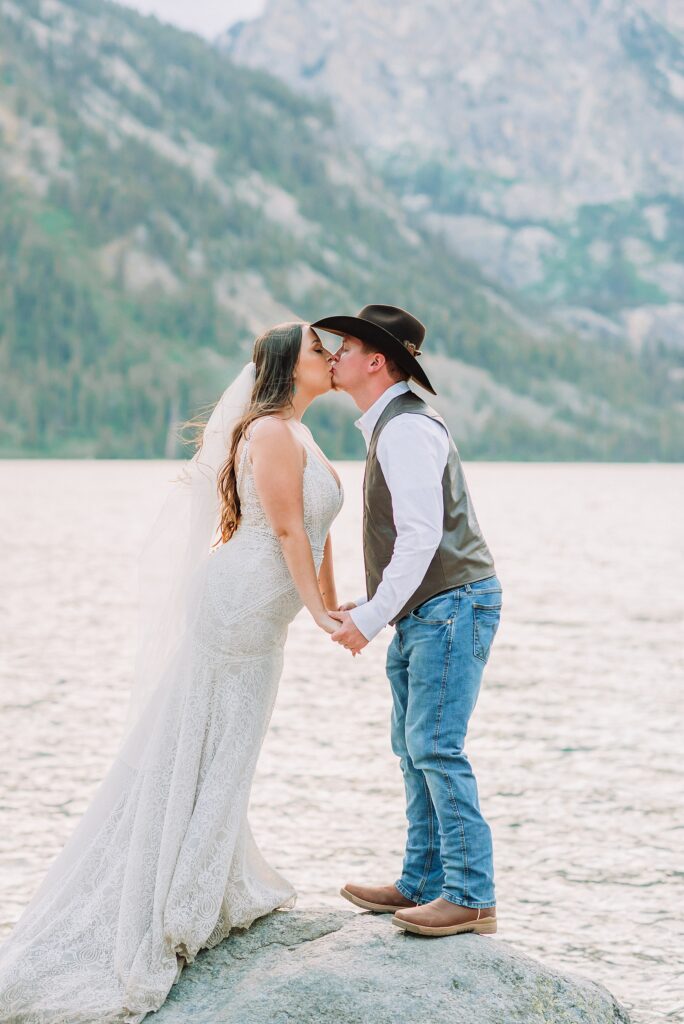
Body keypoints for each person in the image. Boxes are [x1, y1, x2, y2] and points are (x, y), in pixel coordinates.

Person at [0, 323, 343, 1022]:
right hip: (239, 606)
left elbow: (319, 533)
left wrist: (333, 606)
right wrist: (317, 612)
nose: (332, 357)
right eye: (318, 349)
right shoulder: (270, 432)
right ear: (288, 366)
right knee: (215, 744)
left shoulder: (301, 434)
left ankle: (202, 879)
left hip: (261, 612)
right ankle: (181, 903)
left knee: (226, 747)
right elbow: (286, 531)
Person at [313, 304, 502, 937]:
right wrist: (373, 607)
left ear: (376, 361)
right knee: (413, 747)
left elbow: (421, 537)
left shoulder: (406, 429)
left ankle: (471, 896)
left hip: (451, 604)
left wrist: (370, 617)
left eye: (345, 348)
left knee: (435, 747)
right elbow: (414, 542)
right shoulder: (393, 425)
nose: (333, 355)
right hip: (430, 608)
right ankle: (422, 882)